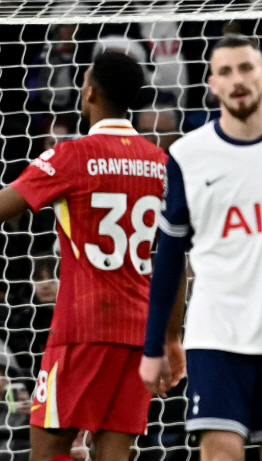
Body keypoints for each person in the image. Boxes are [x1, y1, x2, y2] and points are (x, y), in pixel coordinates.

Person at [139, 34, 262, 461]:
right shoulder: (187, 155)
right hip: (216, 335)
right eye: (225, 71)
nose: (237, 79)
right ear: (212, 84)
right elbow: (170, 257)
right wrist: (156, 345)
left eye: (246, 67)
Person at [0, 51, 168, 461]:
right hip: (140, 330)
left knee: (48, 449)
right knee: (114, 451)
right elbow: (177, 256)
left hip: (83, 328)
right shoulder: (163, 163)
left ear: (90, 91)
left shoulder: (71, 156)